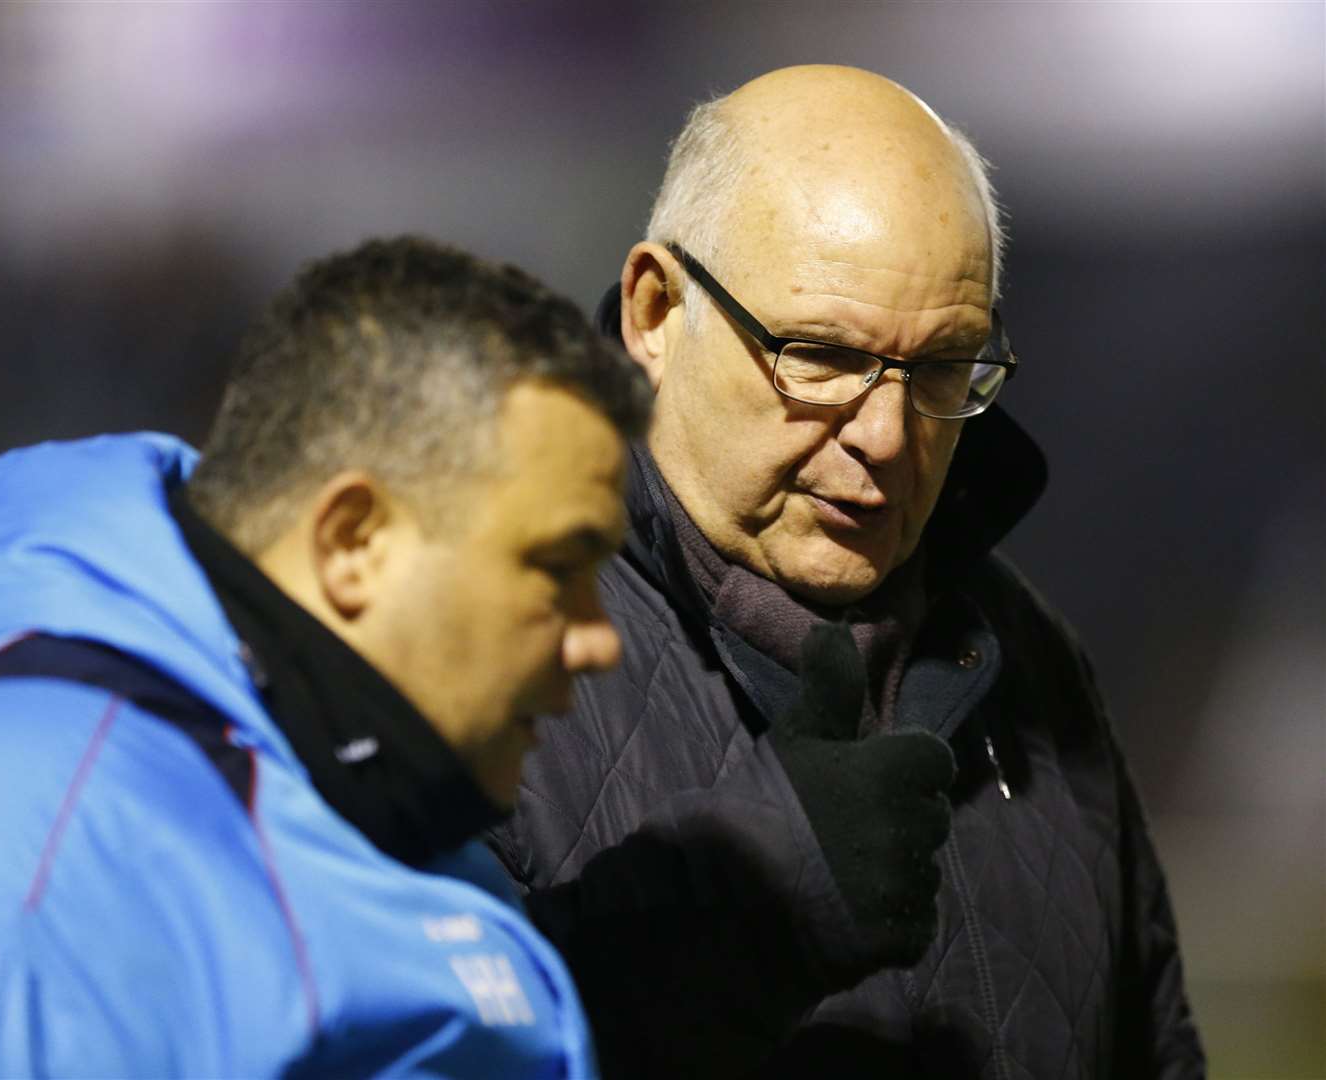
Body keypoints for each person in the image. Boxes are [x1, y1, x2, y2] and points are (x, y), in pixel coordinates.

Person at [0, 236, 651, 1077]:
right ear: (354, 541)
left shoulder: (356, 792)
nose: (597, 635)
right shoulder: (15, 836)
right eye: (556, 567)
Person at [488, 66, 1205, 1078]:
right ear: (655, 312)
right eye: (820, 354)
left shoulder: (1029, 658)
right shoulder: (472, 650)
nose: (884, 433)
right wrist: (732, 923)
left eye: (944, 366)